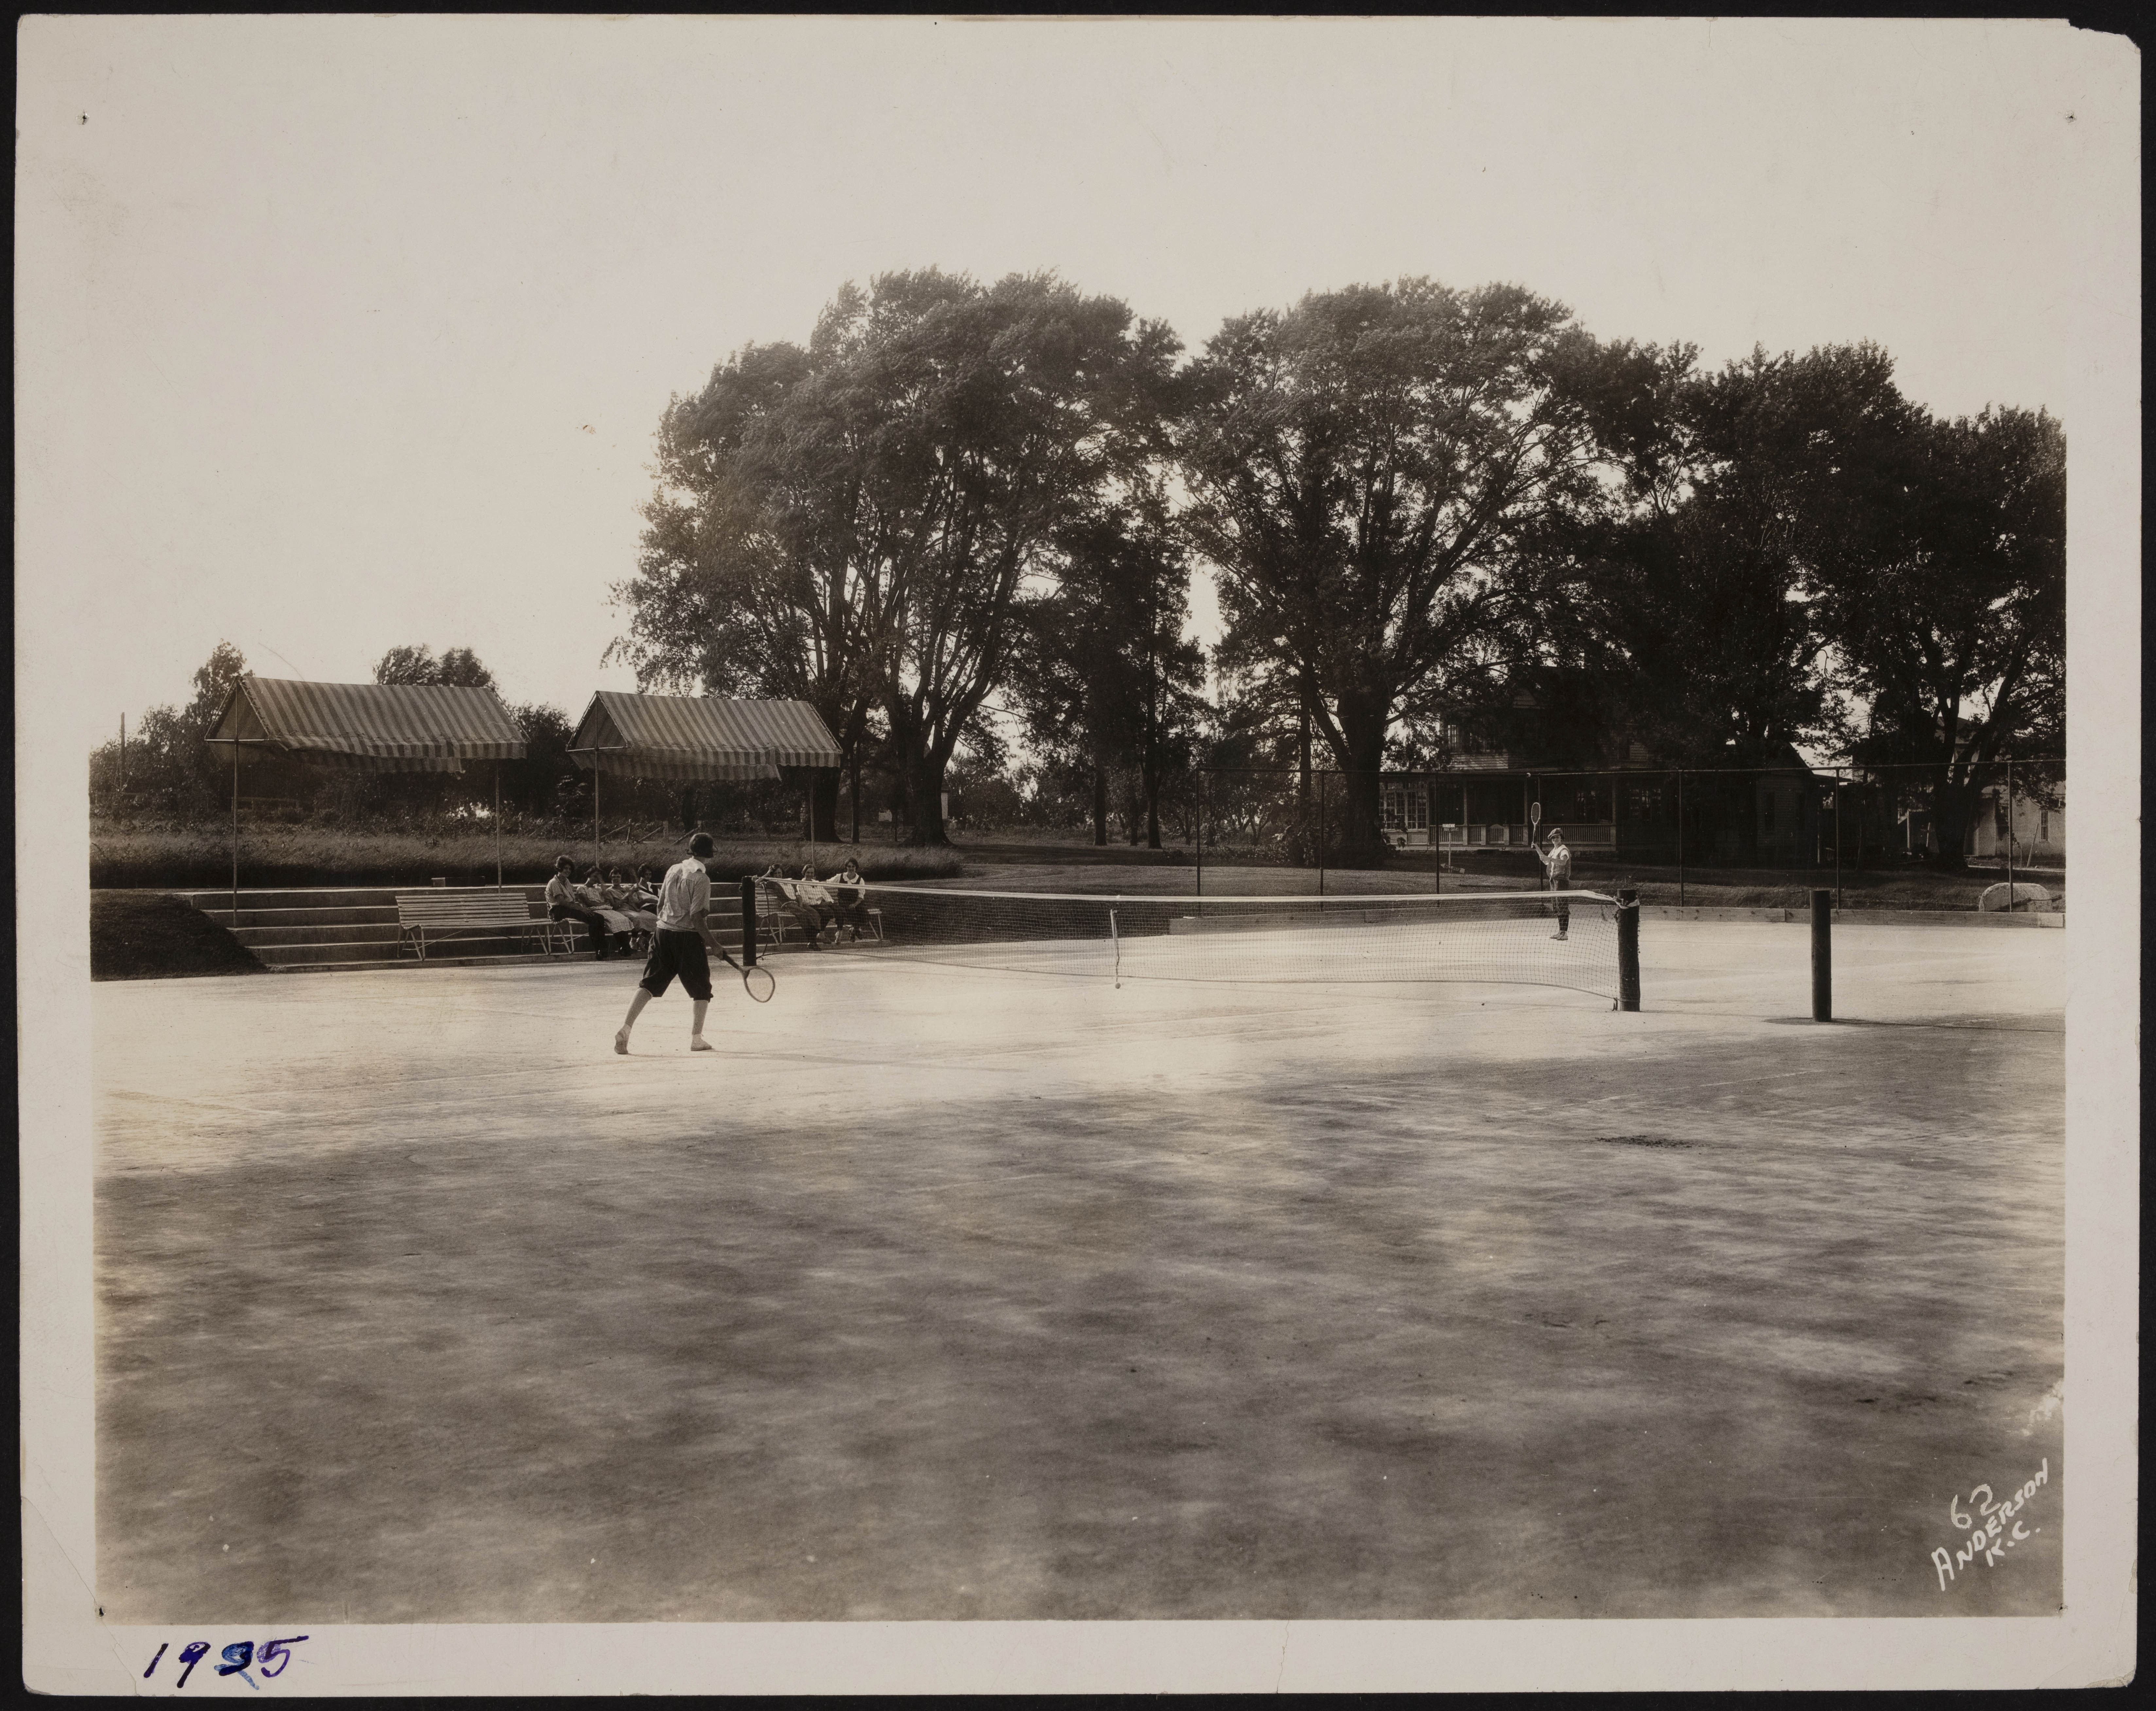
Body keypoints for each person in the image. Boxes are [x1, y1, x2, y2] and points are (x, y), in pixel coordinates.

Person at [617, 832, 718, 1054]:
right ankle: (697, 1038)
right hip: (686, 937)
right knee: (702, 988)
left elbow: (661, 902)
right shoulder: (702, 879)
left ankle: (625, 1028)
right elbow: (696, 918)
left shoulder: (674, 869)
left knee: (649, 984)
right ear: (709, 854)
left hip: (662, 933)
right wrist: (713, 944)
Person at [546, 854, 617, 959]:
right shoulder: (554, 883)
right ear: (560, 868)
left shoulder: (567, 882)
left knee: (599, 918)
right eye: (566, 868)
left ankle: (602, 949)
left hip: (569, 909)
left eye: (570, 869)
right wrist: (582, 909)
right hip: (558, 911)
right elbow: (562, 902)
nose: (568, 871)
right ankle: (599, 950)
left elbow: (571, 902)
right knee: (593, 918)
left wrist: (582, 908)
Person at [1534, 827, 1573, 941]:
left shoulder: (1564, 850)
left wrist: (1550, 859)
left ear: (1561, 838)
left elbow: (1563, 862)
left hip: (1561, 881)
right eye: (1553, 838)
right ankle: (1561, 932)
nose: (1555, 840)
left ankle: (1565, 933)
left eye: (1557, 837)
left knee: (1563, 907)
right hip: (1553, 881)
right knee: (1557, 907)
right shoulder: (1554, 851)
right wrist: (1536, 848)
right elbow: (1546, 860)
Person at [792, 862, 838, 946]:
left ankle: (826, 934)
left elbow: (826, 894)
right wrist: (819, 901)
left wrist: (829, 901)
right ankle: (821, 934)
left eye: (812, 873)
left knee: (837, 911)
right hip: (812, 907)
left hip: (822, 905)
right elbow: (806, 901)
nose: (810, 875)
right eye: (808, 873)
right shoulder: (801, 885)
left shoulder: (817, 883)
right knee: (829, 913)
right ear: (804, 873)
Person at [826, 856, 870, 941]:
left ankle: (853, 930)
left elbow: (861, 896)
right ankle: (856, 931)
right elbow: (828, 882)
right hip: (844, 902)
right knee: (851, 911)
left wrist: (855, 904)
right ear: (846, 867)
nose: (851, 868)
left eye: (853, 867)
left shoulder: (860, 880)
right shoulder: (840, 877)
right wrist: (815, 883)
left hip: (856, 902)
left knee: (866, 915)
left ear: (856, 868)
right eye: (849, 866)